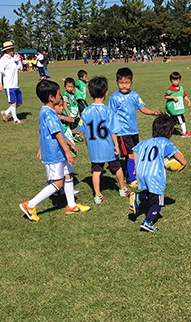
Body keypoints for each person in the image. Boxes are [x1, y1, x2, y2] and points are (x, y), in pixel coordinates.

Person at [19, 80, 90, 222]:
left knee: (68, 175)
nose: (60, 96)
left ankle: (71, 205)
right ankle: (30, 205)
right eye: (58, 94)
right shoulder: (49, 113)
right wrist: (67, 150)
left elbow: (45, 132)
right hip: (54, 153)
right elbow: (57, 132)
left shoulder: (46, 111)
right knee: (58, 183)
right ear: (51, 97)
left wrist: (67, 145)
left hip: (59, 151)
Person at [129, 114, 187, 233]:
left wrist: (136, 165)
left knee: (149, 193)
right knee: (158, 201)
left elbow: (134, 150)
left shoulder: (145, 142)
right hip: (155, 175)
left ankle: (138, 197)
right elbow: (176, 153)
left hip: (142, 172)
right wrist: (183, 162)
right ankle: (148, 222)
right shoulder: (165, 143)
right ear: (170, 131)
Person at [77, 76, 129, 204]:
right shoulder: (109, 111)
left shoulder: (85, 112)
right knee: (116, 167)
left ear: (89, 93)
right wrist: (116, 145)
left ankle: (97, 195)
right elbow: (113, 131)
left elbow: (82, 130)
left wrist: (87, 142)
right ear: (106, 93)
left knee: (96, 170)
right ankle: (122, 188)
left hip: (94, 147)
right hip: (108, 146)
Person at [109, 67, 160, 185]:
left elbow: (142, 108)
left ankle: (129, 174)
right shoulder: (114, 97)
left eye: (127, 83)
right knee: (131, 155)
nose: (124, 86)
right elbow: (111, 115)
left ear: (131, 82)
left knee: (133, 154)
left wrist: (153, 112)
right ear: (117, 83)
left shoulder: (135, 95)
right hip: (122, 132)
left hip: (134, 130)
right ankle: (133, 180)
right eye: (121, 83)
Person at [0, 41, 24, 124]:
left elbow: (21, 68)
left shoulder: (14, 58)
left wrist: (18, 60)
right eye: (11, 49)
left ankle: (6, 112)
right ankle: (15, 119)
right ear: (7, 50)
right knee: (13, 102)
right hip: (8, 84)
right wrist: (0, 83)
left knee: (19, 103)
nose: (13, 50)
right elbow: (0, 71)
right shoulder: (3, 59)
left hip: (16, 84)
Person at [164, 71, 191, 137]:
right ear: (171, 80)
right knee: (181, 120)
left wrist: (188, 101)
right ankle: (184, 133)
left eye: (177, 80)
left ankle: (166, 131)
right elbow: (166, 96)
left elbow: (184, 95)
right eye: (174, 80)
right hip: (174, 109)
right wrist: (172, 97)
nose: (175, 82)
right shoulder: (170, 89)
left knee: (172, 121)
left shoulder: (181, 88)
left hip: (178, 107)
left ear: (179, 80)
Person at [60, 77, 82, 143]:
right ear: (65, 86)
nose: (70, 88)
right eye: (68, 87)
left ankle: (77, 135)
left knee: (81, 123)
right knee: (67, 127)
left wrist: (78, 114)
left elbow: (76, 105)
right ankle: (65, 138)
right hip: (69, 114)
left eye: (72, 87)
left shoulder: (74, 95)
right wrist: (68, 115)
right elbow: (65, 105)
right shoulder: (65, 95)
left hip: (75, 114)